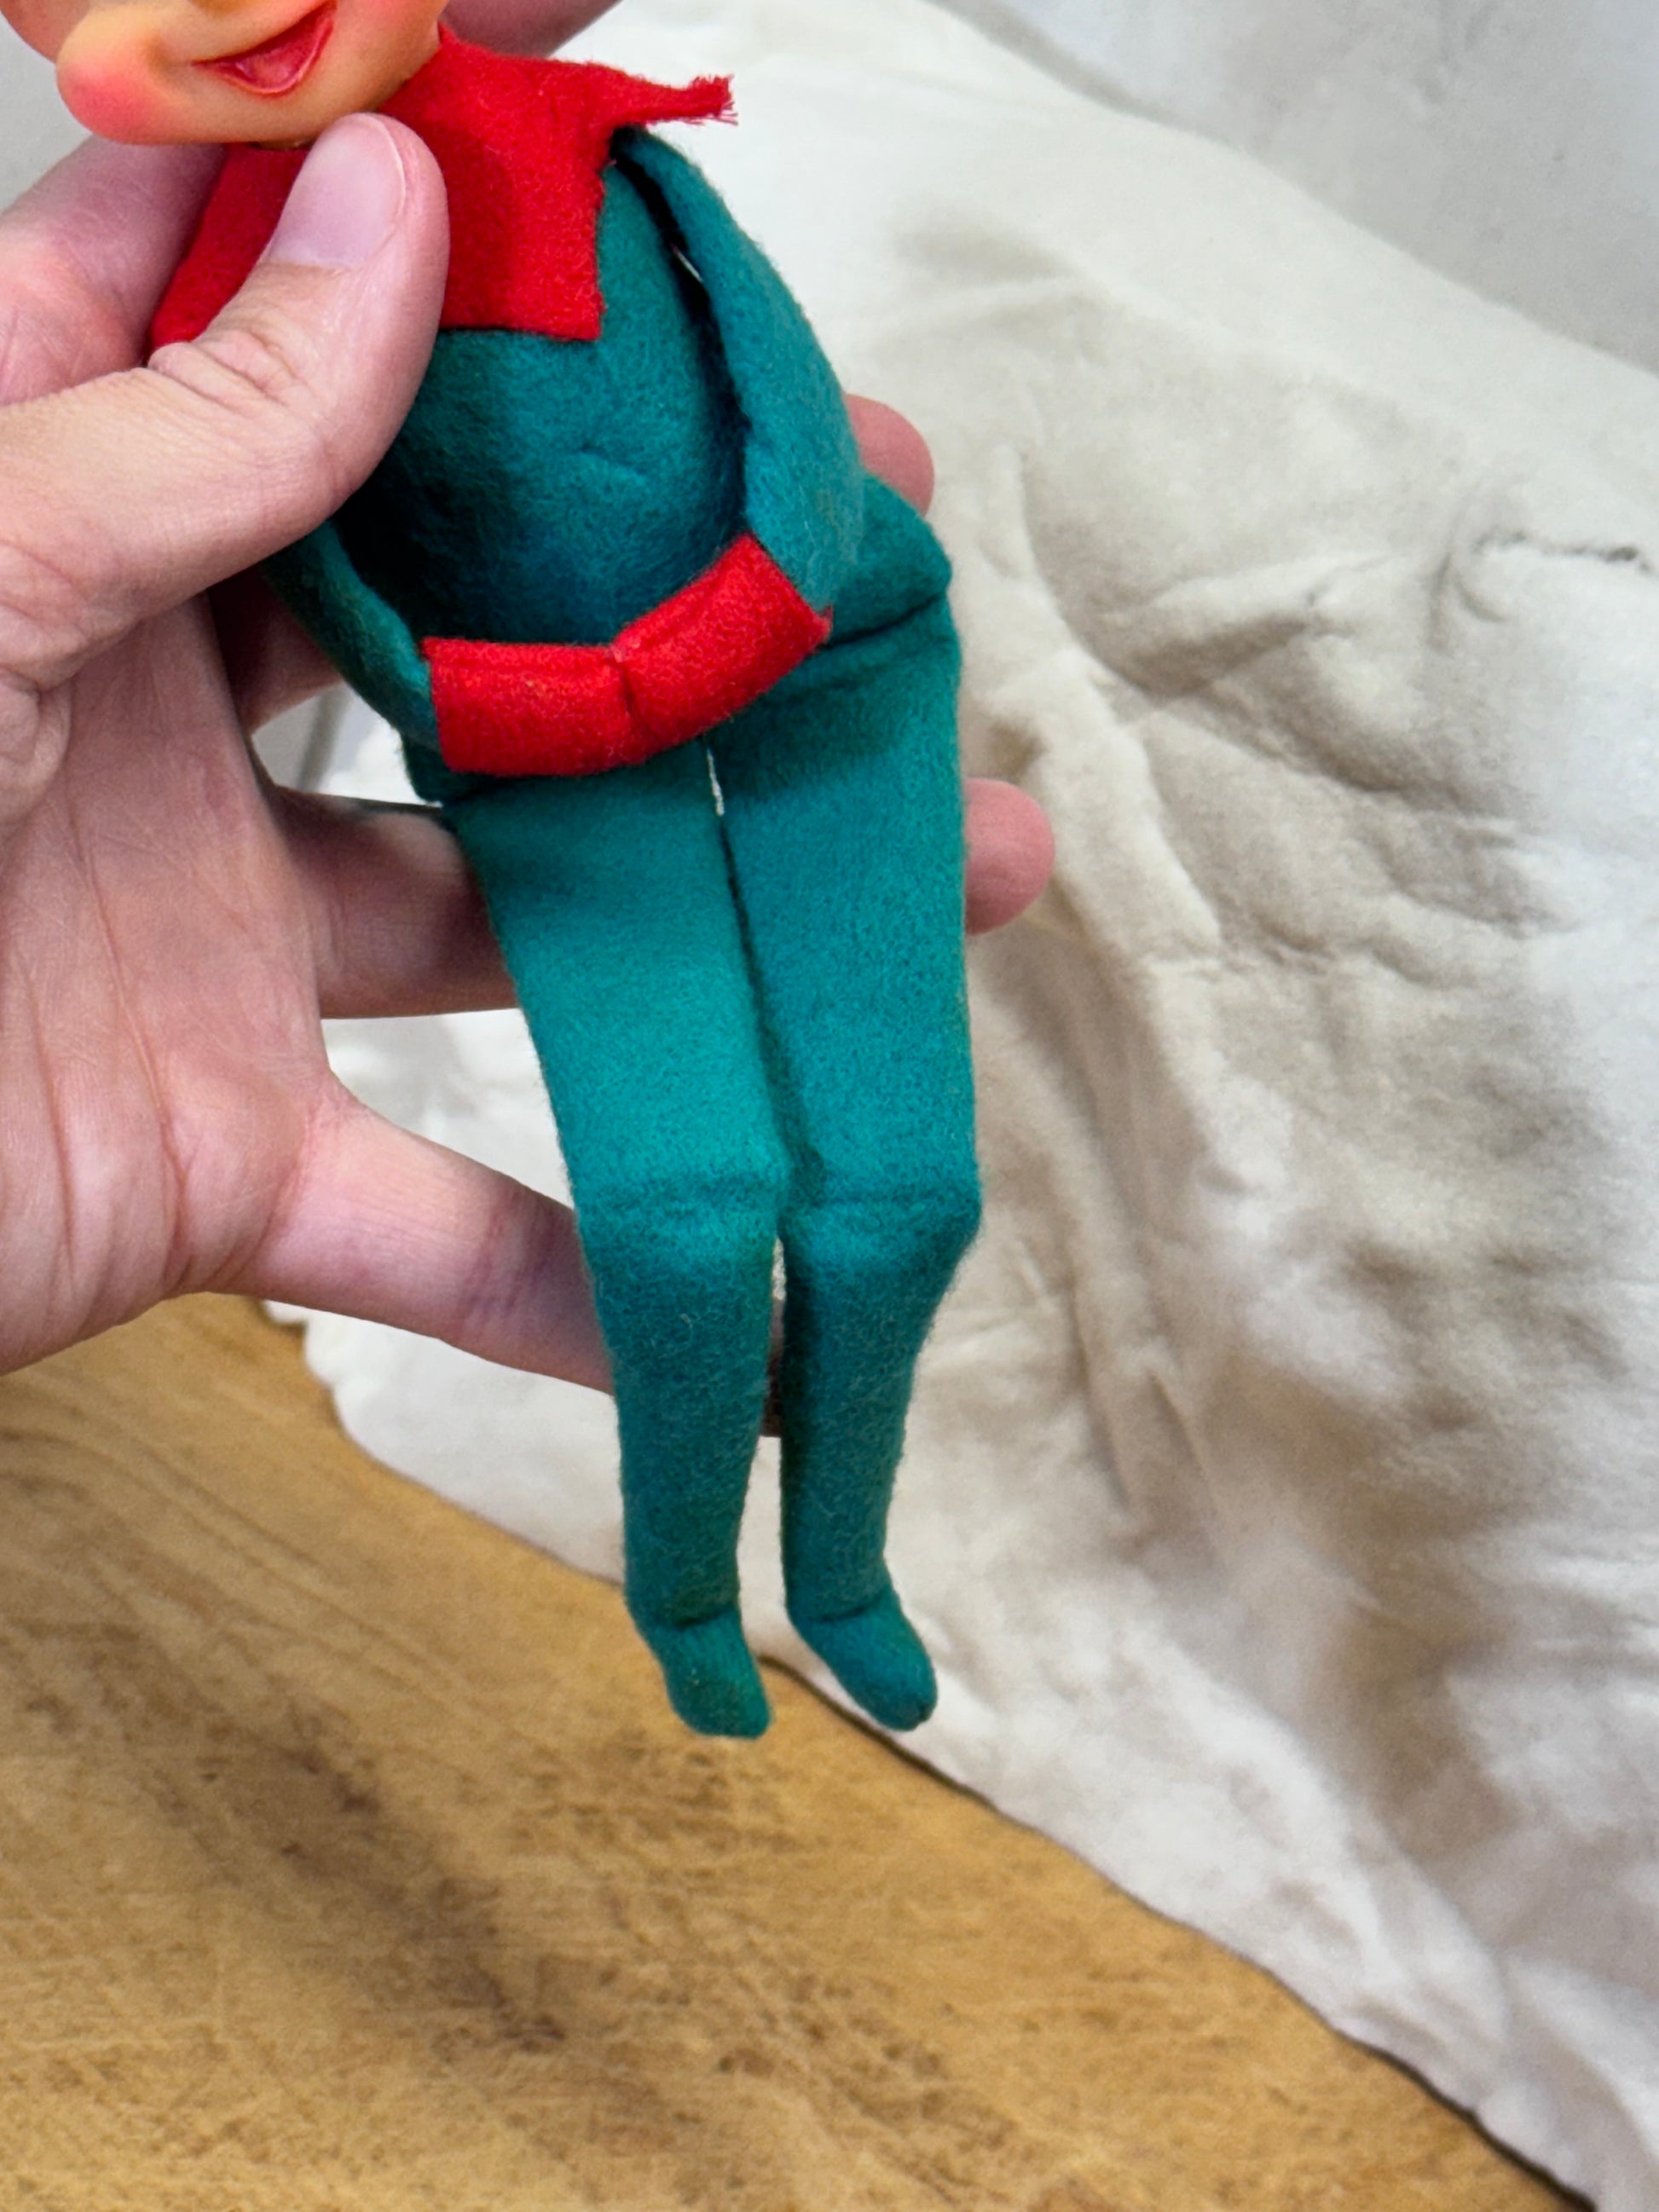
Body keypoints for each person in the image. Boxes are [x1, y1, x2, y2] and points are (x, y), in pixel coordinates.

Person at [0, 0, 1054, 1409]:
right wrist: (461, 695)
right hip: (529, 738)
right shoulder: (225, 275)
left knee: (890, 1170)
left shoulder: (574, 131)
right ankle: (716, 1524)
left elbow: (762, 352)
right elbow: (320, 562)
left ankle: (833, 1481)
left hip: (809, 627)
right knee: (681, 1200)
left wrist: (780, 570)